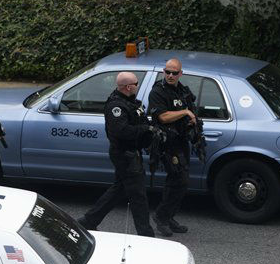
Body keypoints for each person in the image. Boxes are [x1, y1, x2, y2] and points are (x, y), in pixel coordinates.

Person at [77, 72, 157, 237]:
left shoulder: (131, 102)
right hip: (124, 155)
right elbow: (121, 131)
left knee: (119, 189)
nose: (137, 85)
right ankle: (146, 235)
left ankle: (89, 221)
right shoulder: (117, 106)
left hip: (132, 153)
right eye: (136, 83)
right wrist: (145, 129)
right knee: (138, 195)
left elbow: (139, 120)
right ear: (128, 87)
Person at [148, 58, 196, 237]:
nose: (170, 75)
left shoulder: (183, 91)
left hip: (182, 141)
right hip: (167, 142)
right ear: (163, 72)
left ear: (180, 74)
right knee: (179, 179)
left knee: (179, 181)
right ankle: (161, 217)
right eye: (167, 72)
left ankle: (168, 217)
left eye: (174, 73)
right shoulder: (158, 92)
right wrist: (184, 112)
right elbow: (163, 117)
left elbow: (192, 110)